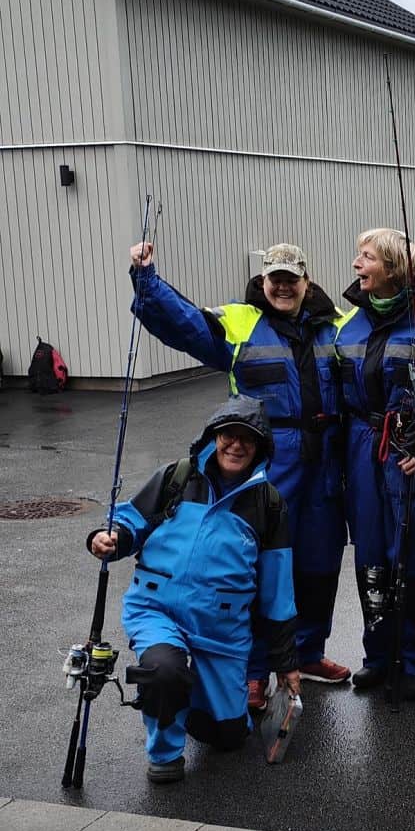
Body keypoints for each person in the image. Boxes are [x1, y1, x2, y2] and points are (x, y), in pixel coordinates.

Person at [128, 241, 348, 709]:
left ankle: (307, 653)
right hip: (268, 464)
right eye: (275, 279)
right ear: (264, 282)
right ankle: (253, 670)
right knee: (253, 568)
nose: (283, 287)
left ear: (307, 282)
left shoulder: (336, 327)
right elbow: (183, 322)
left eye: (291, 279)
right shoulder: (240, 322)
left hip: (325, 464)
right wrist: (146, 278)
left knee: (318, 565)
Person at [87, 396, 299, 783]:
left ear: (261, 449)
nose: (235, 446)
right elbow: (130, 523)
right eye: (227, 436)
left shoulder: (269, 505)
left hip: (222, 635)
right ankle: (165, 752)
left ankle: (189, 695)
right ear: (213, 437)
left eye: (247, 440)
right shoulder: (175, 477)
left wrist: (286, 664)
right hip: (157, 612)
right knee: (164, 670)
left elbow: (278, 592)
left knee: (228, 736)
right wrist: (110, 538)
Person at [335, 228, 415, 700]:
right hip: (363, 447)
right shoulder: (347, 326)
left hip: (409, 451)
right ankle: (378, 655)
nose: (357, 264)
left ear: (393, 267)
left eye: (366, 257)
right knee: (371, 558)